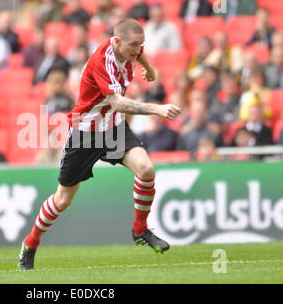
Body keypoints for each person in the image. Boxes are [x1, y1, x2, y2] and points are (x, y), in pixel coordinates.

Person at [18, 18, 182, 270]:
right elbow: (118, 103)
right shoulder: (101, 61)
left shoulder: (130, 48)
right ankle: (30, 243)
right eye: (134, 45)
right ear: (116, 42)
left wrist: (148, 67)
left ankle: (140, 230)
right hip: (86, 133)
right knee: (62, 200)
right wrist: (157, 109)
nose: (138, 49)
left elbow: (138, 54)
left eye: (141, 45)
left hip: (113, 128)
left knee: (146, 169)